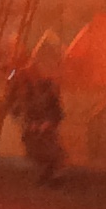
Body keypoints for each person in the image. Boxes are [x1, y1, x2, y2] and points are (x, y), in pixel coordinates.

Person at [9, 39, 66, 185]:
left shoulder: (47, 84)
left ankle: (54, 172)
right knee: (33, 145)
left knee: (48, 144)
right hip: (33, 119)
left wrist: (48, 121)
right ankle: (47, 170)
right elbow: (12, 78)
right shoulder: (20, 76)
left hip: (45, 117)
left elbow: (54, 106)